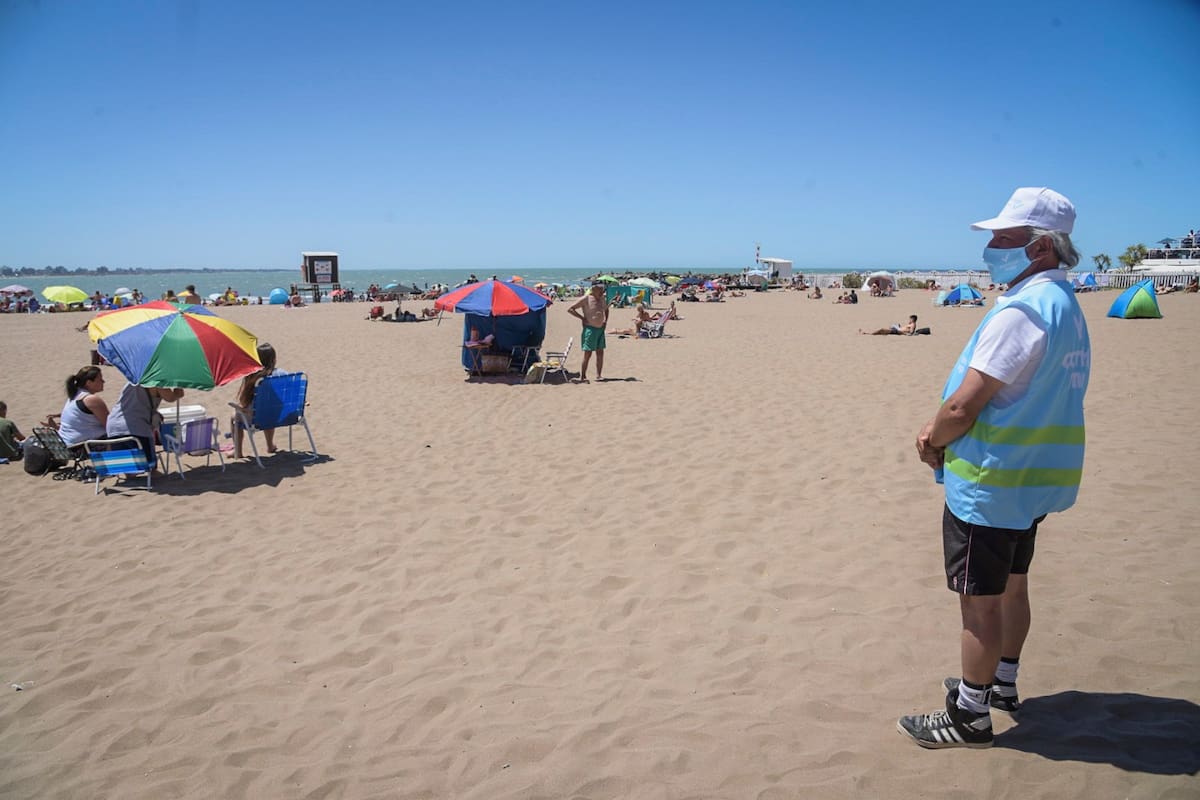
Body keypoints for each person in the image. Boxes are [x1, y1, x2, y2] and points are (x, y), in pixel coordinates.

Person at [899, 187, 1090, 750]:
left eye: (1004, 238)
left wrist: (931, 440)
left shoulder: (1022, 311)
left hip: (992, 482)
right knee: (1013, 586)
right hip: (1032, 478)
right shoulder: (1064, 304)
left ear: (1040, 247)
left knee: (978, 602)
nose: (991, 248)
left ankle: (969, 715)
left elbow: (965, 405)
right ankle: (1001, 684)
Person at [107, 383, 185, 466]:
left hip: (113, 426)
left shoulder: (131, 381)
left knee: (125, 466)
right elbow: (170, 397)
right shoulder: (155, 381)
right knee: (148, 465)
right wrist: (178, 386)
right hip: (136, 427)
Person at [230, 343, 278, 459]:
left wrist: (241, 408)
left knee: (234, 416)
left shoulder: (253, 376)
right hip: (278, 415)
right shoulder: (281, 374)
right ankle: (270, 445)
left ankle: (238, 451)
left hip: (257, 417)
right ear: (274, 359)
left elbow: (244, 401)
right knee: (268, 410)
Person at [58, 366, 110, 448]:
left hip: (67, 443)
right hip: (80, 446)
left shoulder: (74, 395)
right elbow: (109, 425)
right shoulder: (91, 399)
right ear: (89, 383)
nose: (103, 381)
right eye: (100, 379)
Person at [567, 282, 609, 382]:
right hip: (590, 329)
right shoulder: (586, 298)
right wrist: (582, 318)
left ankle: (599, 375)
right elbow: (570, 309)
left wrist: (605, 321)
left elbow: (606, 309)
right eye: (600, 289)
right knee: (588, 354)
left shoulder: (602, 298)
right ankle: (583, 376)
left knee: (600, 353)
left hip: (600, 329)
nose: (602, 291)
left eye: (602, 289)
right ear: (594, 289)